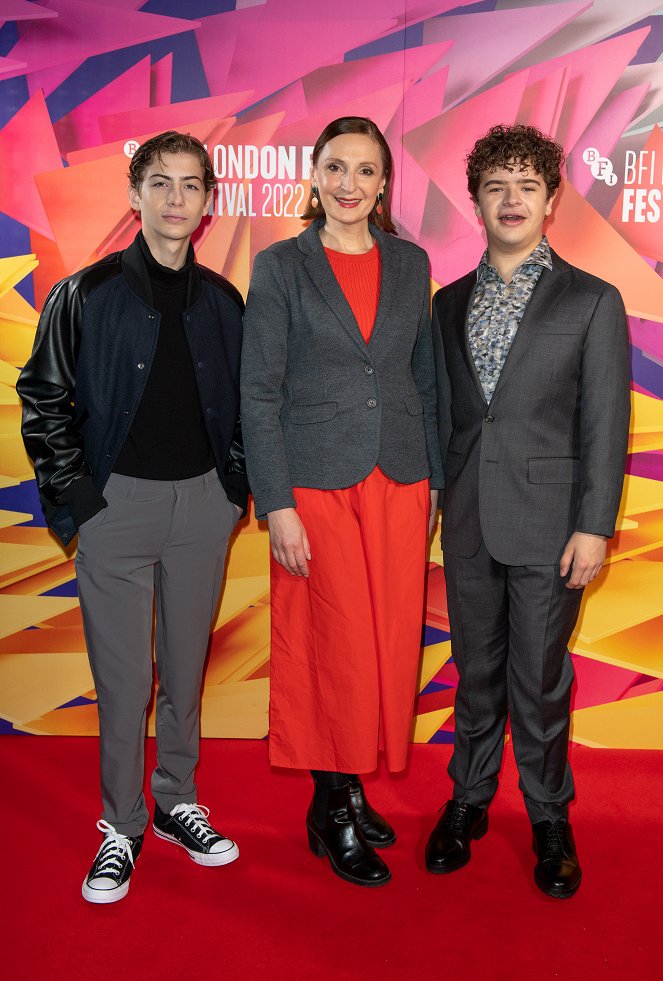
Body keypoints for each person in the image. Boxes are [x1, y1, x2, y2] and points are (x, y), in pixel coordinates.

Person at [17, 131, 248, 904]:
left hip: (202, 507)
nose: (175, 199)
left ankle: (178, 803)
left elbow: (247, 407)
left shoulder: (224, 301)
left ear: (208, 201)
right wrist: (80, 500)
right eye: (160, 183)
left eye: (190, 185)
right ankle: (121, 825)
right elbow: (43, 397)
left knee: (184, 673)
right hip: (115, 507)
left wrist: (232, 490)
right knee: (124, 684)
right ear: (134, 193)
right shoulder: (83, 293)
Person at [427, 124, 630, 898]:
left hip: (552, 529)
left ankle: (549, 816)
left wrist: (594, 524)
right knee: (475, 674)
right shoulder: (448, 304)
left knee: (539, 680)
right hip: (470, 521)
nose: (510, 199)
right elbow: (449, 416)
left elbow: (604, 423)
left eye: (526, 185)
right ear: (475, 200)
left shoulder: (591, 300)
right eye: (494, 186)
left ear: (550, 200)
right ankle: (468, 800)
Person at [241, 116, 443, 887]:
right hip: (315, 485)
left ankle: (350, 785)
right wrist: (277, 502)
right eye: (335, 168)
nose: (350, 184)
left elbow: (421, 379)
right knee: (331, 644)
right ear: (315, 176)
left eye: (365, 170)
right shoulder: (280, 265)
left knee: (383, 645)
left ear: (384, 182)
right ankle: (330, 807)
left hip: (397, 478)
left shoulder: (410, 261)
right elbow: (257, 392)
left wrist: (428, 484)